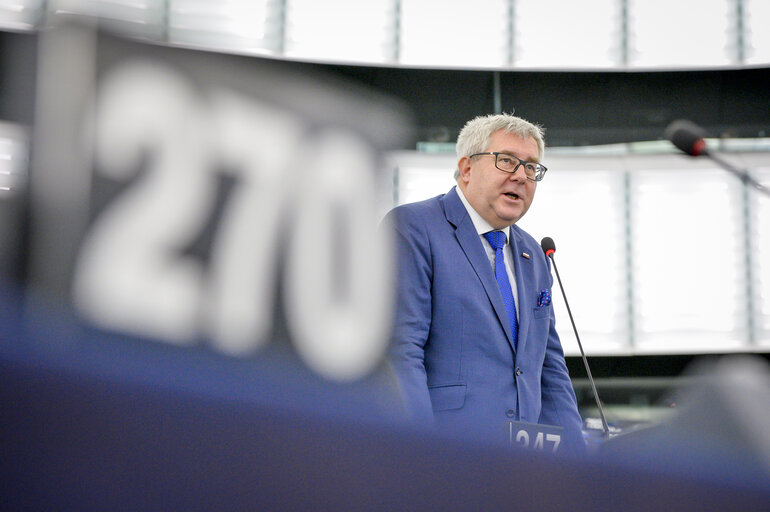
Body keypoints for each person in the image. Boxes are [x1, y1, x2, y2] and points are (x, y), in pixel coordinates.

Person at [383, 113, 584, 448]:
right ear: (466, 169)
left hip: (522, 468)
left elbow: (549, 368)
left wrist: (578, 463)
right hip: (448, 457)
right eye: (506, 161)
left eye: (531, 167)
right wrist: (417, 453)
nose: (521, 176)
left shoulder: (533, 253)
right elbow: (401, 352)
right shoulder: (413, 227)